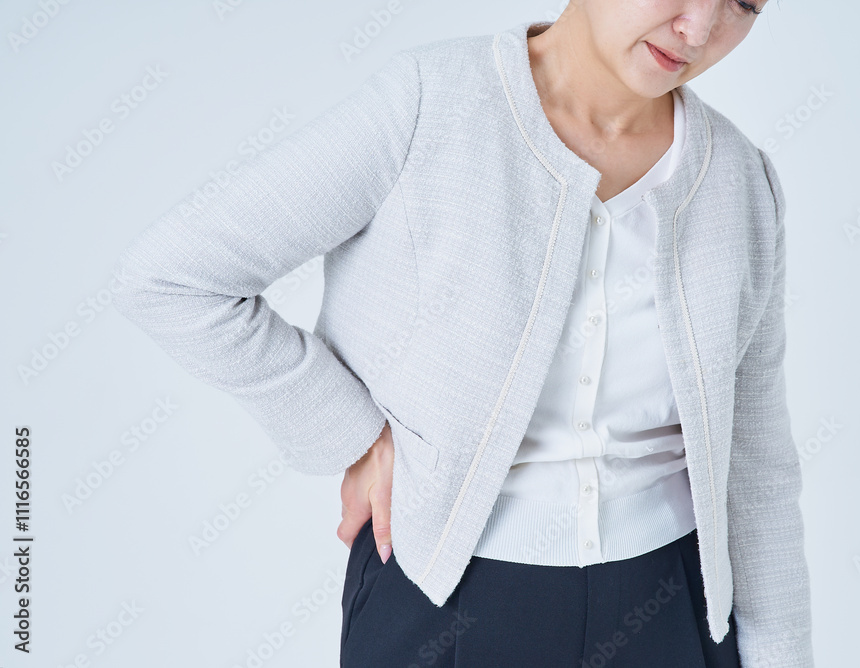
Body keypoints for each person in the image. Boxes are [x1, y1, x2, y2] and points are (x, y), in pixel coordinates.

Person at [111, 1, 813, 666]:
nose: (699, 27)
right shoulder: (432, 102)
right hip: (443, 596)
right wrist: (352, 431)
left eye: (745, 4)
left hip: (673, 607)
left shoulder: (742, 180)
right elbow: (173, 277)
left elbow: (758, 464)